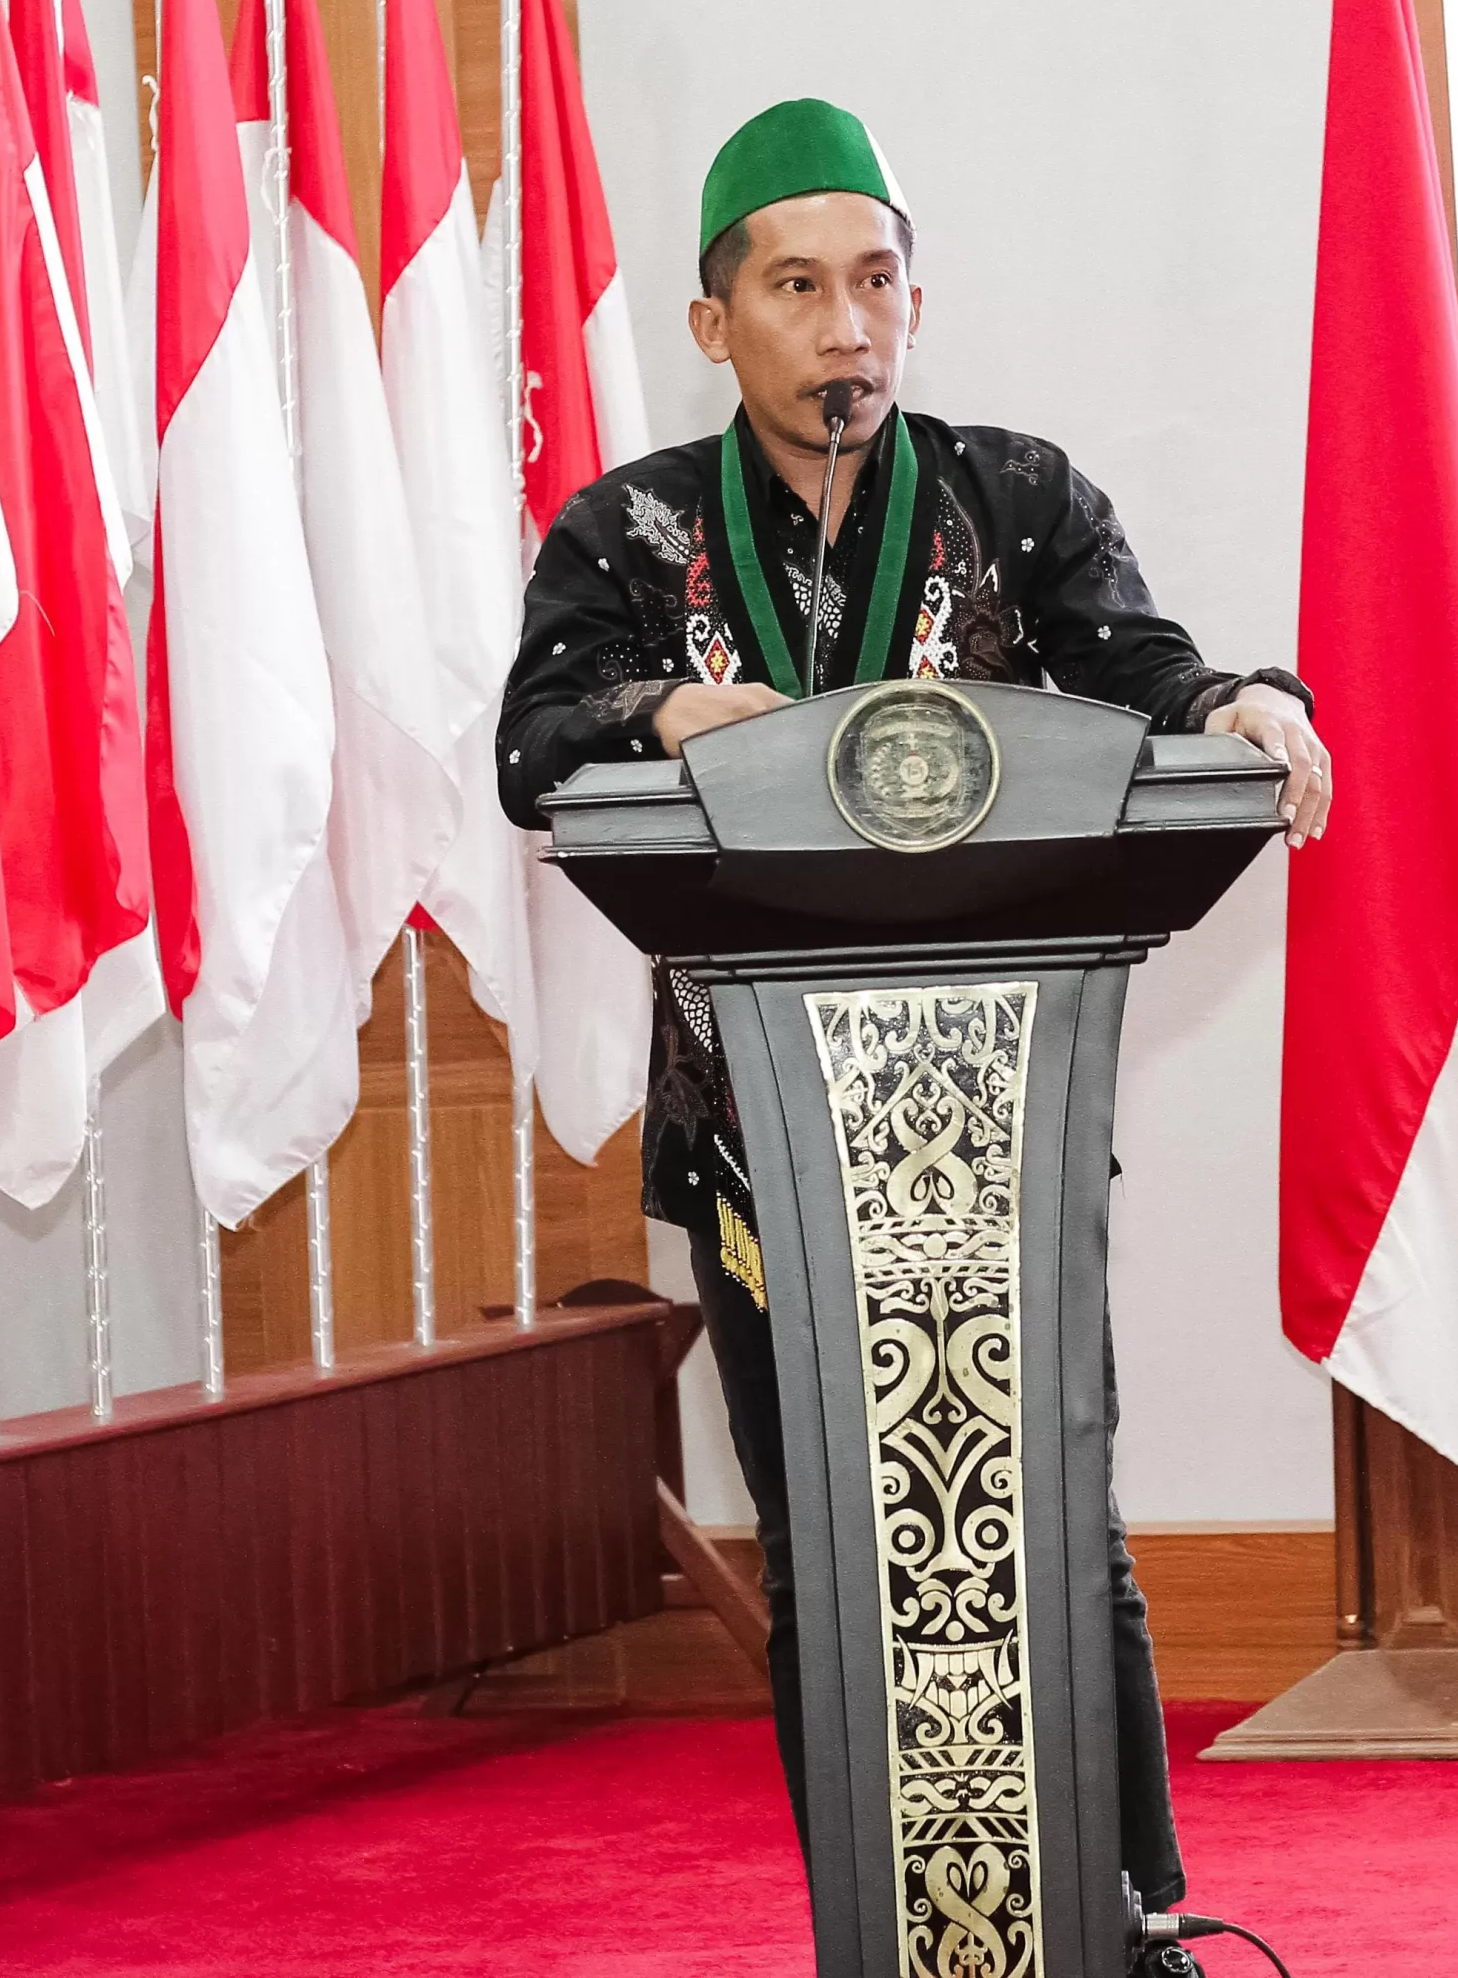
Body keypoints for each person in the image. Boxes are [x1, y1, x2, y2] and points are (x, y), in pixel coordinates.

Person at [496, 98, 1332, 1969]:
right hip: (760, 1149)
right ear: (714, 322)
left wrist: (1239, 702)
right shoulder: (628, 531)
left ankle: (1130, 1925)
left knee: (1058, 1524)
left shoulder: (1014, 497)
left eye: (874, 282)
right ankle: (879, 1938)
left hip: (997, 1133)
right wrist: (660, 713)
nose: (845, 326)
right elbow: (531, 745)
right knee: (824, 1551)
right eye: (797, 287)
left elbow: (1143, 673)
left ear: (914, 303)